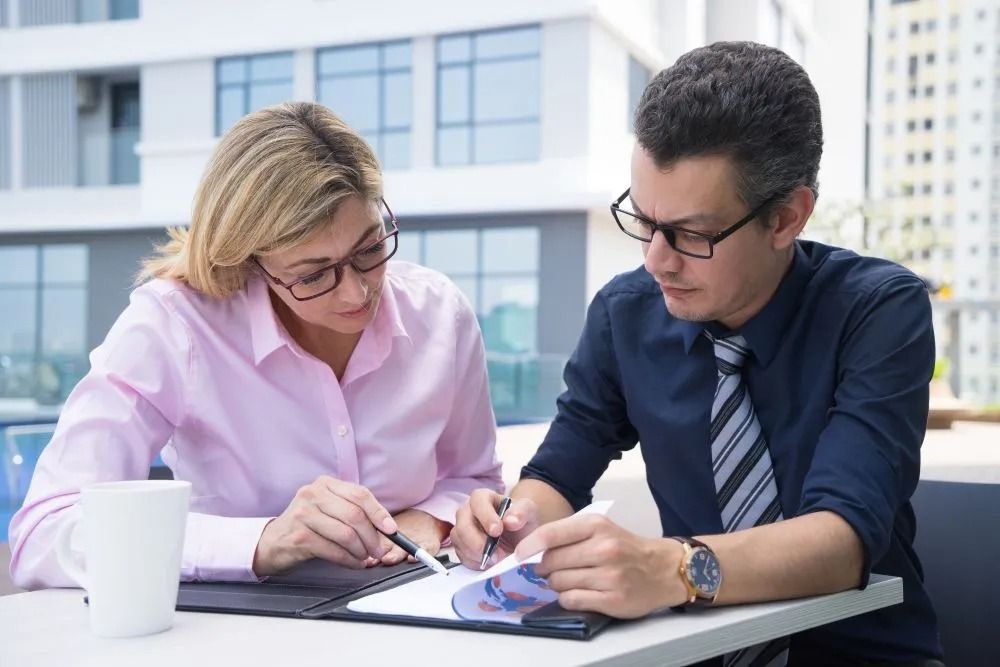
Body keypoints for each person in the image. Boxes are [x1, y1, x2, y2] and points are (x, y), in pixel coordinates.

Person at [451, 42, 943, 666]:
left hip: (861, 655)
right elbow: (558, 473)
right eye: (644, 220)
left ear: (787, 217)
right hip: (688, 654)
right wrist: (513, 526)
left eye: (691, 233)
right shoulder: (625, 312)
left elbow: (842, 542)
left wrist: (673, 566)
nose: (657, 259)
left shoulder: (878, 310)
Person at [10, 101, 502, 589]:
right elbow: (46, 533)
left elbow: (475, 479)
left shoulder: (440, 313)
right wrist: (264, 542)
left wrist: (430, 519)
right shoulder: (173, 326)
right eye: (312, 275)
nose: (358, 293)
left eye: (370, 248)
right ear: (249, 261)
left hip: (408, 612)